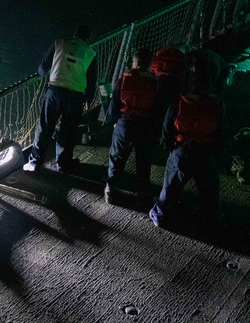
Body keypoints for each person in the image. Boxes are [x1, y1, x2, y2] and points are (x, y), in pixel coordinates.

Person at [148, 61, 223, 229]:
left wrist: (172, 148)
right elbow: (221, 132)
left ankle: (161, 215)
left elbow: (167, 129)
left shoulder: (178, 103)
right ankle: (210, 219)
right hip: (205, 153)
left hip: (182, 152)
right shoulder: (215, 104)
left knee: (170, 188)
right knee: (209, 192)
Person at [23, 25, 97, 173]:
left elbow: (43, 68)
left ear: (74, 34)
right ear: (88, 38)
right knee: (68, 131)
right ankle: (62, 164)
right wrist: (87, 100)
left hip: (54, 92)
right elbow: (91, 81)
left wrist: (46, 72)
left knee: (44, 127)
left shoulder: (59, 43)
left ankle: (34, 162)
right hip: (75, 97)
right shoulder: (90, 53)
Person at [103, 48, 158, 205]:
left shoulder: (124, 80)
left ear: (135, 63)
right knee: (143, 161)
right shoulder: (154, 83)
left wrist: (114, 121)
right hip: (145, 126)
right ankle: (141, 194)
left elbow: (114, 105)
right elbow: (157, 108)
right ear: (149, 64)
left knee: (117, 158)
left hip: (125, 124)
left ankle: (110, 190)